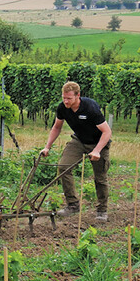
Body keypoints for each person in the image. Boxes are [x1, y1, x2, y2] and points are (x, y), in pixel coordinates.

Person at [41, 81, 112, 222]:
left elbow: (107, 131)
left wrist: (97, 151)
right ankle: (73, 205)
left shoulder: (90, 108)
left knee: (100, 178)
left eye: (69, 98)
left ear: (78, 96)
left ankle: (102, 210)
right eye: (64, 98)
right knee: (63, 167)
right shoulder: (62, 108)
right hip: (79, 140)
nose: (66, 101)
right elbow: (56, 127)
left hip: (98, 143)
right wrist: (47, 147)